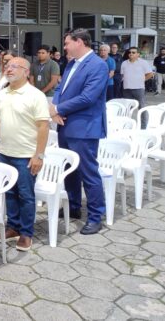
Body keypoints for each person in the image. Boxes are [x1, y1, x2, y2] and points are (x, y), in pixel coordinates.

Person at [0, 57, 50, 251]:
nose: (9, 69)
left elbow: (43, 126)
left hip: (26, 155)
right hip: (4, 152)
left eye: (15, 66)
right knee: (9, 192)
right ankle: (13, 226)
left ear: (26, 72)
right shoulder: (2, 93)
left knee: (26, 195)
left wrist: (39, 155)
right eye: (7, 66)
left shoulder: (35, 95)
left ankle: (26, 233)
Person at [50, 29, 108, 235]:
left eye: (67, 43)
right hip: (65, 124)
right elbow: (60, 89)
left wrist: (58, 109)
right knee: (70, 170)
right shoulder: (72, 63)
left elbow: (88, 97)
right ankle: (74, 206)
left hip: (84, 127)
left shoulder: (98, 65)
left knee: (88, 172)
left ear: (80, 42)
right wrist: (54, 107)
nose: (65, 47)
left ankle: (95, 216)